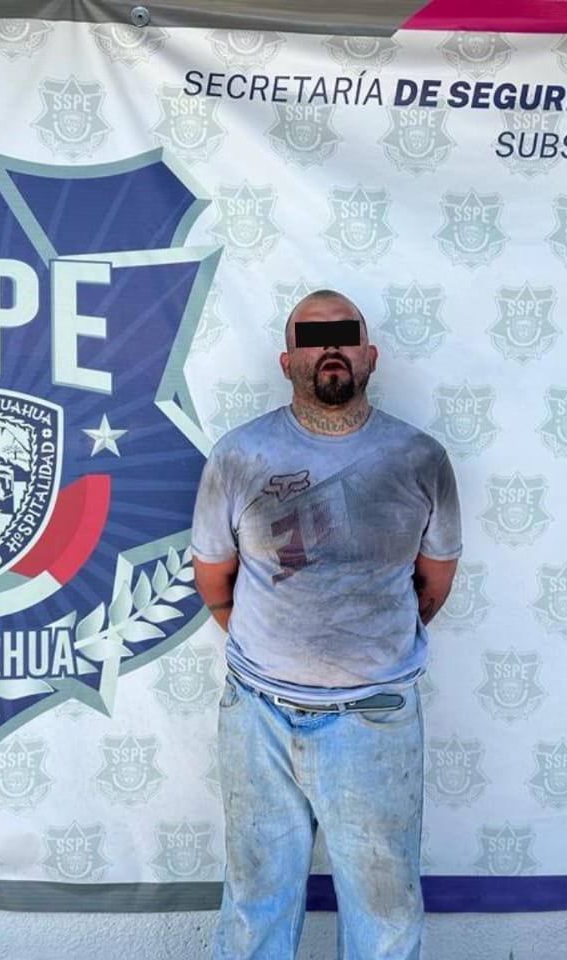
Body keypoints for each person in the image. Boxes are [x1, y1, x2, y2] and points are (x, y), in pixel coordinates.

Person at [190, 289, 462, 959]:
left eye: (345, 335)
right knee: (254, 906)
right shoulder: (239, 456)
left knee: (384, 912)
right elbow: (214, 581)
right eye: (313, 338)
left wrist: (357, 655)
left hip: (375, 721)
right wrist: (278, 652)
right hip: (258, 717)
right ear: (288, 362)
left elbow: (432, 585)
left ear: (370, 356)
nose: (331, 347)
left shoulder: (420, 459)